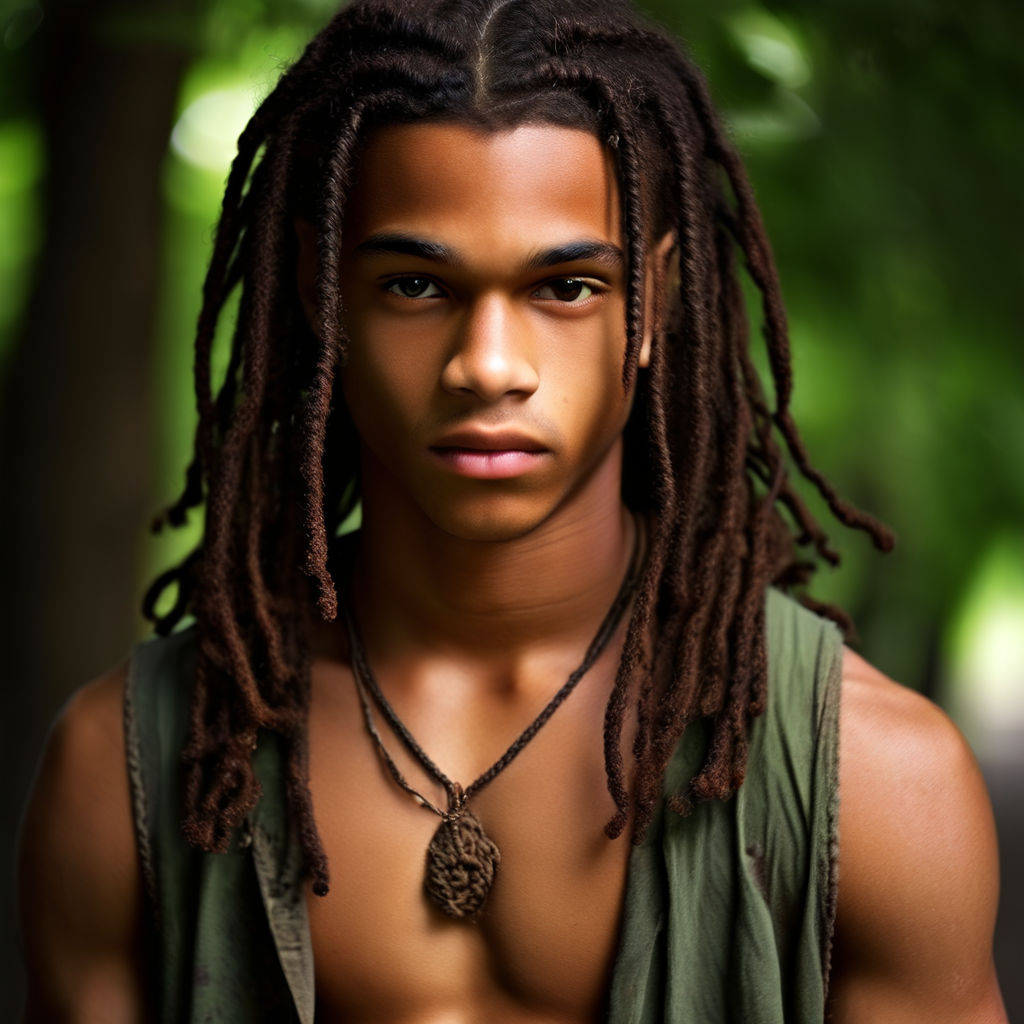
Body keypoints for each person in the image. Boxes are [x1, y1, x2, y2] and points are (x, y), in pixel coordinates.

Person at [17, 0, 1006, 1020]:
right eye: (414, 284)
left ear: (654, 302)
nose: (487, 366)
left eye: (567, 287)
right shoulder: (121, 771)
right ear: (320, 297)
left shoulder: (882, 785)